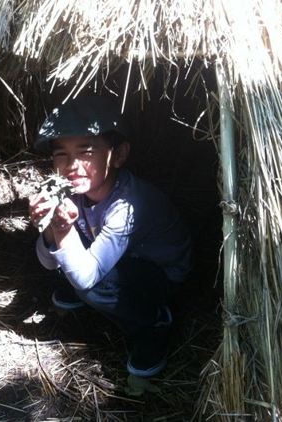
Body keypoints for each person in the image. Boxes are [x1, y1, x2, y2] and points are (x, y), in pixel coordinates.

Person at [28, 93, 193, 377]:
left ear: (118, 155)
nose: (71, 165)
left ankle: (154, 321)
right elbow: (48, 263)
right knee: (70, 259)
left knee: (88, 284)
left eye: (86, 152)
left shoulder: (129, 206)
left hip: (163, 274)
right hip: (123, 257)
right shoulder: (74, 190)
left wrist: (63, 230)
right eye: (61, 153)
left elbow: (85, 278)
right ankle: (104, 289)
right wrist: (48, 226)